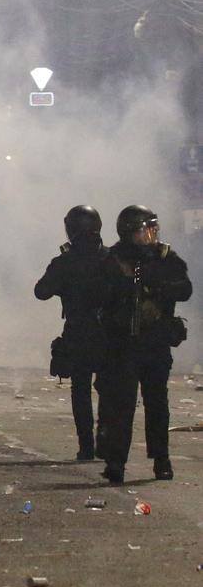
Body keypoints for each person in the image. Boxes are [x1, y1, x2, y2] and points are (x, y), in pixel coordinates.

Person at [97, 204, 191, 484]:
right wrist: (124, 289)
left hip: (155, 343)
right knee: (121, 407)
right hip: (123, 344)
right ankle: (116, 463)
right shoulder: (114, 259)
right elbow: (99, 295)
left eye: (153, 229)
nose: (151, 236)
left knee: (157, 405)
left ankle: (161, 460)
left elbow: (184, 288)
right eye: (145, 230)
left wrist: (155, 284)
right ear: (129, 233)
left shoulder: (165, 258)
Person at [34, 206, 110, 461]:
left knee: (80, 391)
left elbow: (41, 291)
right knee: (110, 389)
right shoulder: (111, 257)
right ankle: (106, 441)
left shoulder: (65, 262)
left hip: (78, 332)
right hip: (109, 333)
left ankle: (86, 446)